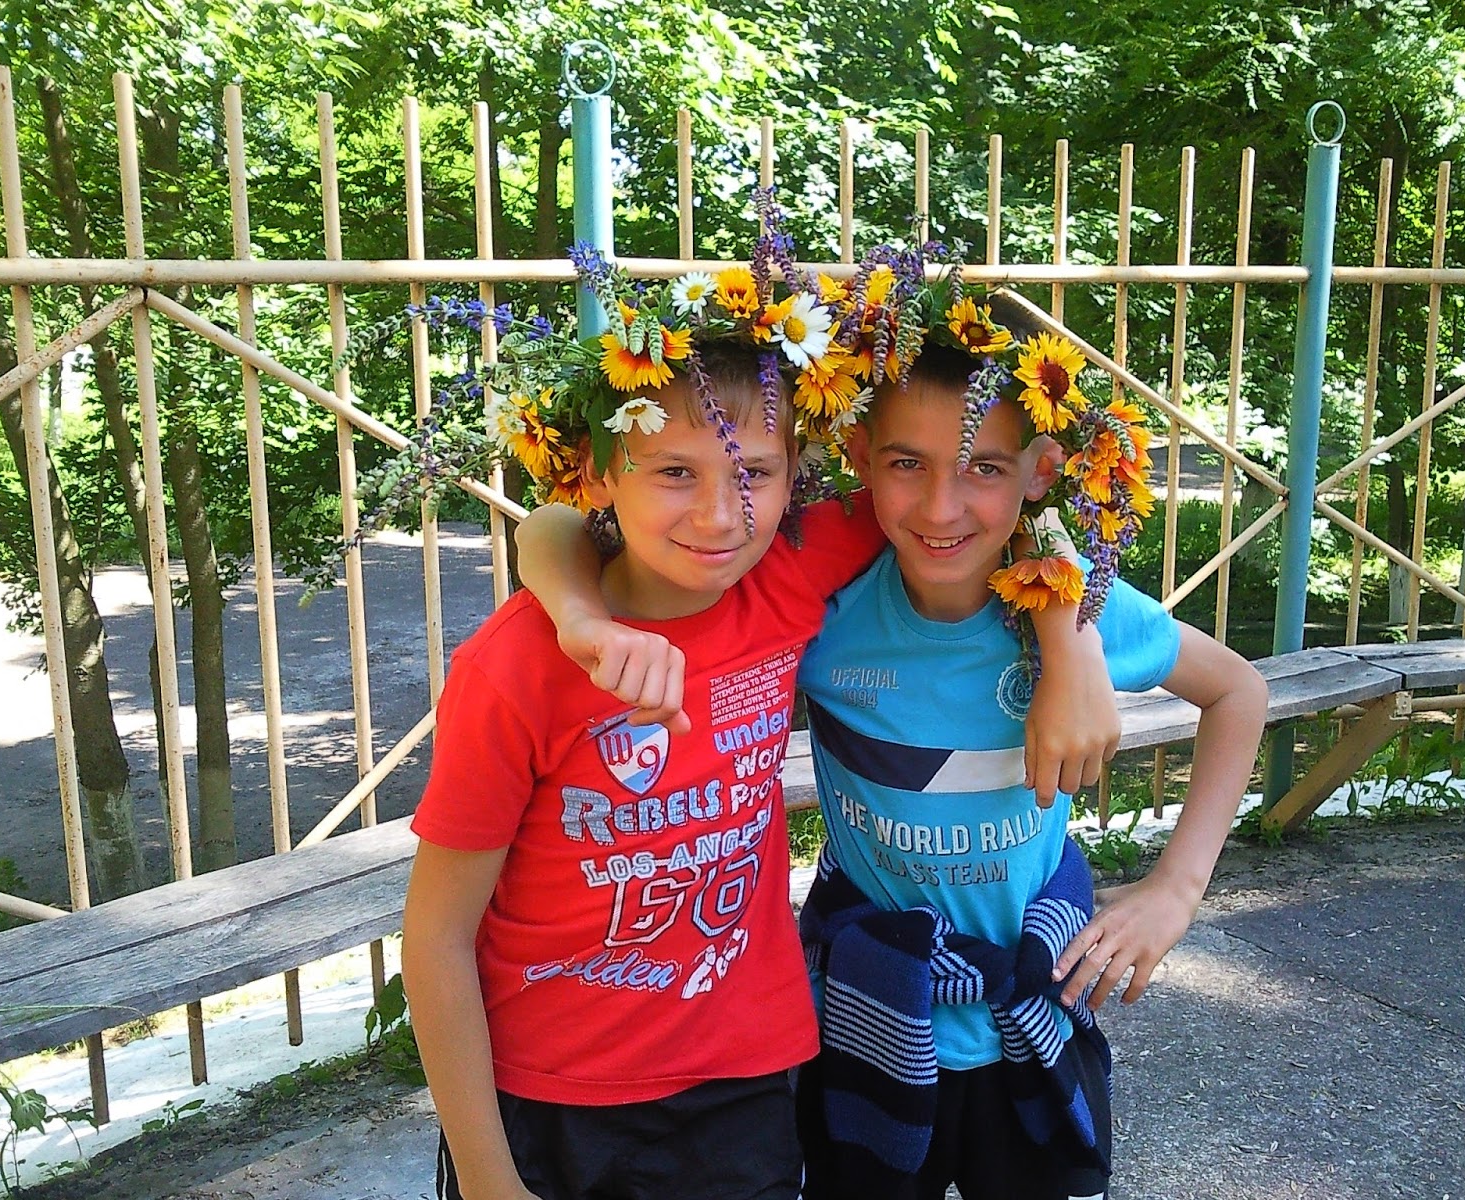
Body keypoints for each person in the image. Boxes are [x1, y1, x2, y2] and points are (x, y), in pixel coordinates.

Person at [400, 225, 1118, 1200]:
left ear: (796, 470)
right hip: (547, 1101)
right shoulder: (519, 667)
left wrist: (1071, 644)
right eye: (674, 471)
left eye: (755, 473)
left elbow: (992, 494)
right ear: (601, 474)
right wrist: (488, 1178)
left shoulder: (785, 578)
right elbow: (438, 937)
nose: (719, 514)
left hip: (744, 1083)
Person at [521, 285, 1268, 1200]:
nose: (942, 507)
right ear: (861, 459)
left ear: (1040, 471)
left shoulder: (1084, 611)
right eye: (907, 463)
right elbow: (559, 524)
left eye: (984, 468)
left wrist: (1176, 889)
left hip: (1035, 1016)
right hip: (865, 1021)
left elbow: (1239, 690)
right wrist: (580, 618)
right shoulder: (822, 604)